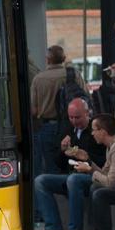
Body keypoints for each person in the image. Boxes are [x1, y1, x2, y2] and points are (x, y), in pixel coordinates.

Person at [33, 98, 106, 230]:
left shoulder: (95, 131)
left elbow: (104, 161)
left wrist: (87, 157)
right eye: (71, 117)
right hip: (71, 174)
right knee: (41, 181)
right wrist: (62, 150)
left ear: (87, 113)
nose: (74, 121)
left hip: (90, 175)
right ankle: (54, 229)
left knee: (73, 180)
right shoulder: (67, 129)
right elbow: (59, 164)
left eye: (77, 117)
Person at [31, 45, 88, 176]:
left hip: (47, 126)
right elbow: (85, 97)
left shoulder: (38, 79)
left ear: (47, 59)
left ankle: (53, 191)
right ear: (63, 58)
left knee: (51, 165)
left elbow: (34, 110)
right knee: (73, 162)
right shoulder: (73, 74)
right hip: (72, 125)